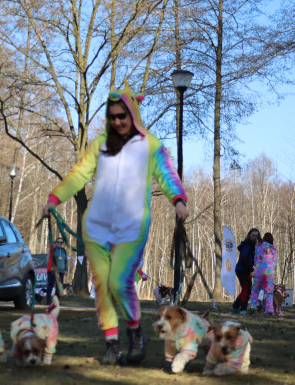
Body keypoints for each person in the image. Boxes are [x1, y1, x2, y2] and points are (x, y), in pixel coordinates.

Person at [42, 82, 188, 365]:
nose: (118, 121)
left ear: (133, 113)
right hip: (97, 228)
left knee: (120, 282)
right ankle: (112, 345)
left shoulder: (150, 146)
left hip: (132, 228)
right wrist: (55, 198)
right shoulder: (100, 145)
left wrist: (178, 200)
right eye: (113, 116)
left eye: (123, 115)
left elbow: (167, 176)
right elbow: (78, 174)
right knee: (102, 286)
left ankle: (134, 333)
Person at [231, 229, 261, 315]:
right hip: (243, 271)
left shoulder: (252, 245)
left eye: (256, 236)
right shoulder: (247, 245)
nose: (255, 237)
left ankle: (236, 307)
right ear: (249, 235)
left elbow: (250, 259)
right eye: (253, 235)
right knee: (247, 290)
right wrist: (251, 269)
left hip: (245, 271)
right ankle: (242, 309)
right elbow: (244, 258)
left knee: (246, 290)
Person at [248, 232, 278, 315]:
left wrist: (257, 268)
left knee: (255, 291)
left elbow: (255, 260)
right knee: (268, 292)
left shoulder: (258, 248)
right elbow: (274, 262)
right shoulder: (273, 249)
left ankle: (252, 307)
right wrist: (271, 268)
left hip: (258, 271)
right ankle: (269, 310)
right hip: (268, 272)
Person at [46, 237, 68, 304]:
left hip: (61, 271)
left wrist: (66, 270)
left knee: (59, 287)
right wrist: (51, 267)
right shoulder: (53, 250)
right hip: (53, 271)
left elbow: (65, 261)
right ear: (56, 243)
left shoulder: (64, 251)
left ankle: (57, 301)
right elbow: (48, 259)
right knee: (50, 285)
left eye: (61, 242)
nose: (59, 243)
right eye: (58, 242)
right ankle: (48, 300)